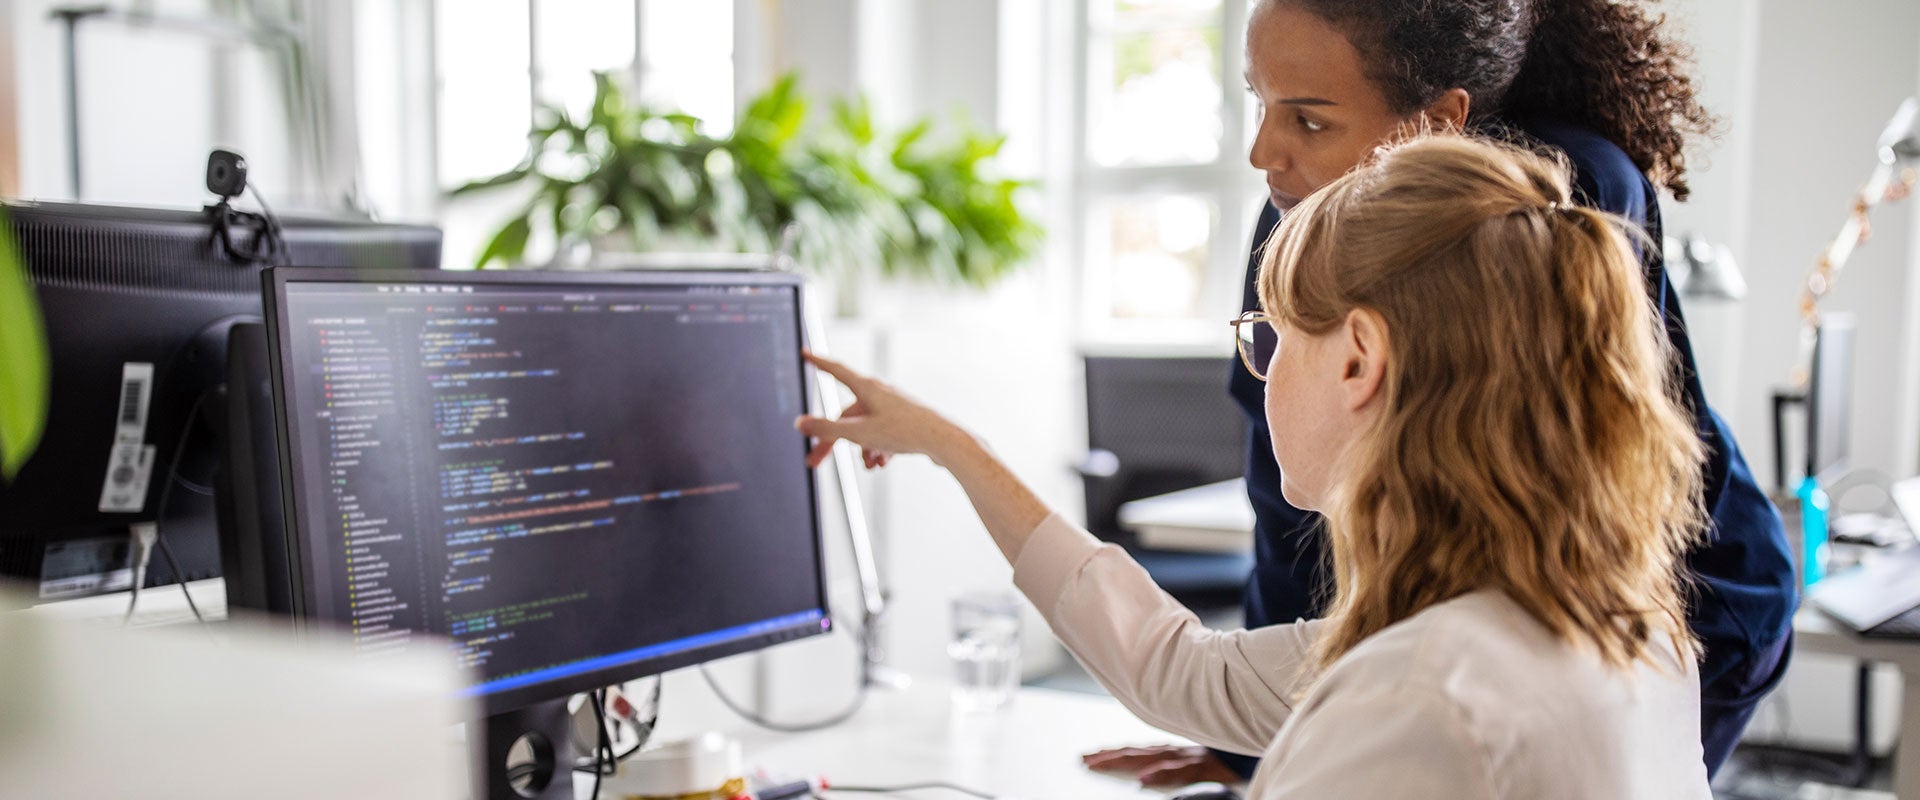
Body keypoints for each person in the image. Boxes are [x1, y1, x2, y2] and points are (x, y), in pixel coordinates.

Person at [798, 133, 1713, 798]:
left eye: (1272, 336)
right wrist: (963, 453)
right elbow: (1182, 669)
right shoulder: (1616, 625)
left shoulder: (1419, 698)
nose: (1260, 373)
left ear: (1358, 359)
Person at [1085, 0, 1796, 785]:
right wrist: (1250, 740)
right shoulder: (1296, 207)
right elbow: (1287, 502)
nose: (1265, 153)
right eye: (1261, 104)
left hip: (1684, 601)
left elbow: (1547, 489)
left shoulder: (1553, 196)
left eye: (1311, 121)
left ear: (1440, 120)